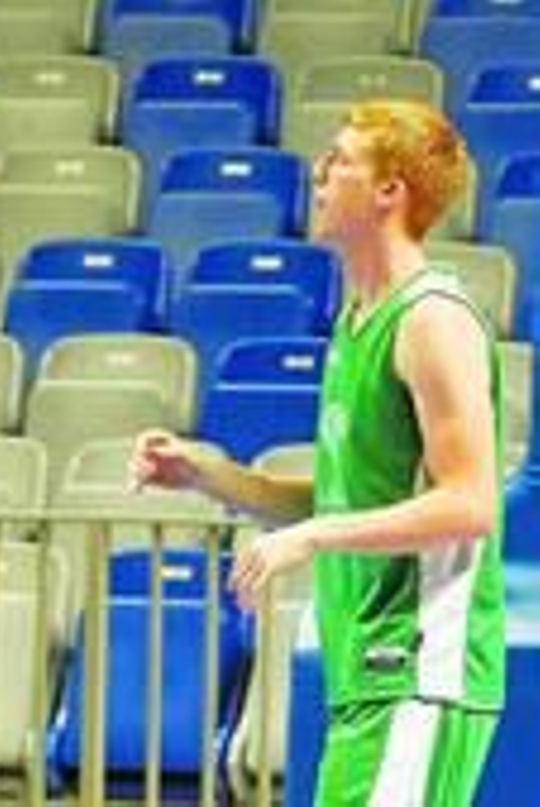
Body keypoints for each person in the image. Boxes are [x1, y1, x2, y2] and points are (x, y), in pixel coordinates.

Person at [132, 100, 504, 805]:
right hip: (365, 671)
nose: (319, 171)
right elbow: (342, 502)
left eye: (341, 160)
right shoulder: (356, 320)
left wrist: (312, 536)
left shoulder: (432, 320)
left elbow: (471, 502)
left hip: (419, 667)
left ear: (390, 191)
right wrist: (204, 473)